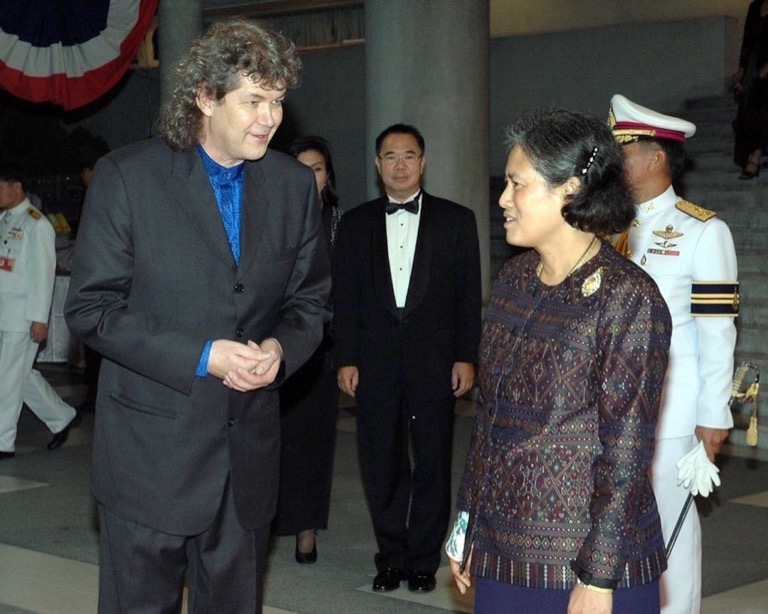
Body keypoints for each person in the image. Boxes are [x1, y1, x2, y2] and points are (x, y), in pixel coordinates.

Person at [64, 18, 331, 613]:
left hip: (247, 465)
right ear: (206, 98)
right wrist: (204, 354)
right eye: (254, 100)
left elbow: (310, 302)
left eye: (278, 101)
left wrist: (281, 350)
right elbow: (90, 307)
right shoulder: (128, 178)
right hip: (149, 460)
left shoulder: (291, 187)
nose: (270, 118)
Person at [448, 109, 673, 614]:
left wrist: (598, 577)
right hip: (503, 555)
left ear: (570, 189)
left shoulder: (626, 298)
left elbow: (627, 455)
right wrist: (465, 525)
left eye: (516, 184)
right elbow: (487, 422)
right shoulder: (513, 281)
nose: (503, 199)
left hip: (581, 566)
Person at [334, 123, 482, 593]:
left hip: (435, 363)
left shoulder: (457, 220)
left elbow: (467, 296)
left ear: (424, 162)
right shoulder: (355, 224)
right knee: (381, 464)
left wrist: (466, 356)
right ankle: (391, 557)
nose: (400, 164)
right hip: (373, 363)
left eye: (409, 155)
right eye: (390, 156)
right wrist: (346, 358)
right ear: (378, 166)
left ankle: (423, 560)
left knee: (434, 463)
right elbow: (347, 299)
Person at [609, 94, 739, 614]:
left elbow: (716, 331)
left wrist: (713, 415)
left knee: (671, 533)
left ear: (655, 157)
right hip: (609, 406)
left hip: (671, 410)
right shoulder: (605, 225)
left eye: (625, 151)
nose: (615, 162)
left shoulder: (703, 230)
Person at [273, 136, 342, 564]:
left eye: (315, 169)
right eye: (300, 169)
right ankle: (266, 524)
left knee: (314, 446)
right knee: (270, 444)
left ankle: (307, 531)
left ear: (328, 175)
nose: (308, 178)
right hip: (275, 348)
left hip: (322, 354)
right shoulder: (271, 217)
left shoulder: (342, 223)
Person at [0, 166, 80, 460]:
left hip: (22, 316)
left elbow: (43, 276)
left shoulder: (38, 225)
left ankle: (3, 441)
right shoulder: (4, 220)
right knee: (19, 375)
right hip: (3, 312)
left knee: (7, 378)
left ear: (16, 186)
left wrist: (39, 319)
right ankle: (62, 417)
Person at [732, 0, 768, 179]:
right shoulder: (755, 7)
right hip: (756, 67)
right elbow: (747, 41)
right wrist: (741, 68)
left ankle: (756, 156)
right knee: (749, 112)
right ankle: (753, 154)